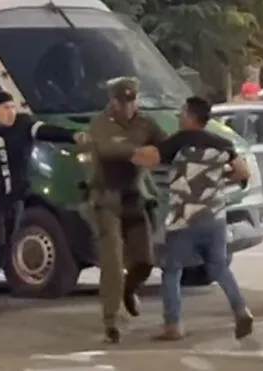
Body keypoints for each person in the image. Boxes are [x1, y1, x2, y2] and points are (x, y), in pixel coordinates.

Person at [0, 91, 88, 317]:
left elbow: (45, 131)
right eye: (5, 108)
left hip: (15, 197)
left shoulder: (23, 125)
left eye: (12, 107)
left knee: (7, 243)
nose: (11, 112)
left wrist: (73, 136)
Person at [131, 96, 254, 341]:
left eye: (182, 112)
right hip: (214, 216)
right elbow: (243, 172)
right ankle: (241, 309)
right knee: (219, 266)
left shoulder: (180, 141)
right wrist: (218, 179)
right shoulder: (222, 143)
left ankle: (173, 324)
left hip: (184, 218)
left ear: (189, 115)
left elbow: (148, 158)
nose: (179, 116)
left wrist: (126, 151)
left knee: (172, 269)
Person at [88, 76, 168, 344]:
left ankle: (129, 290)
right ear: (112, 101)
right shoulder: (101, 123)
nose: (128, 106)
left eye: (132, 100)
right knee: (112, 259)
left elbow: (165, 144)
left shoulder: (145, 123)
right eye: (123, 101)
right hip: (107, 196)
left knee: (145, 260)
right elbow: (108, 149)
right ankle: (111, 320)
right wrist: (138, 152)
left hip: (135, 196)